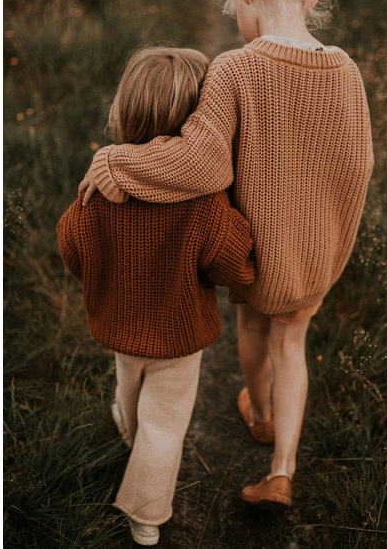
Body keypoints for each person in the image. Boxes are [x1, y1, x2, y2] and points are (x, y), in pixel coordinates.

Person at [78, 0, 373, 511]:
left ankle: (257, 408)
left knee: (253, 327)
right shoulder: (346, 70)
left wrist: (116, 161)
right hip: (319, 256)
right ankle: (282, 466)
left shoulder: (235, 70)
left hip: (257, 258)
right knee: (293, 346)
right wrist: (331, 243)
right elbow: (358, 164)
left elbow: (199, 162)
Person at [57, 46, 255, 546]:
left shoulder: (103, 182)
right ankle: (146, 517)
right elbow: (231, 262)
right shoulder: (205, 201)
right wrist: (251, 262)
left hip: (121, 324)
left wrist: (102, 271)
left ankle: (128, 430)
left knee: (129, 381)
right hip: (180, 336)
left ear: (124, 109)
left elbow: (73, 244)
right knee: (166, 424)